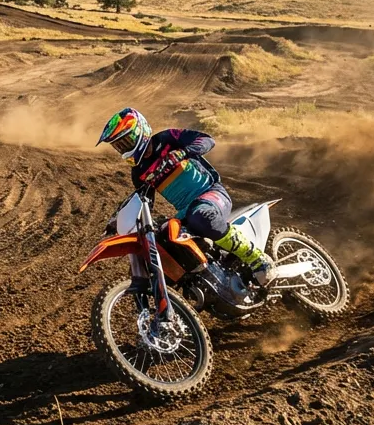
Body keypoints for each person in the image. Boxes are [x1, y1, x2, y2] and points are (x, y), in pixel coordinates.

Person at [96, 107, 274, 291]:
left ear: (140, 130)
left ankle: (257, 258)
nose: (123, 148)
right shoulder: (139, 172)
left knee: (201, 215)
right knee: (162, 241)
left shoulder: (167, 138)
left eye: (126, 141)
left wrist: (184, 152)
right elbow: (144, 201)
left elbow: (207, 140)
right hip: (186, 210)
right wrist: (118, 220)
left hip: (211, 193)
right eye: (119, 145)